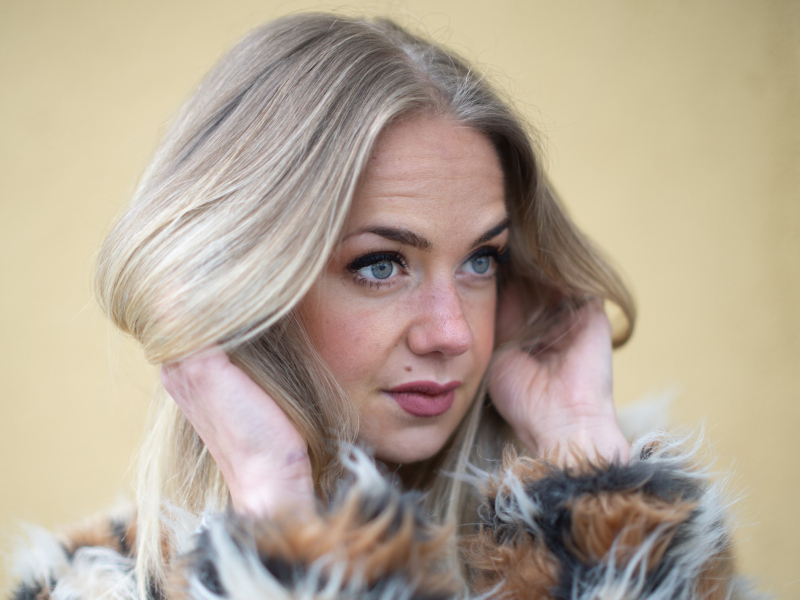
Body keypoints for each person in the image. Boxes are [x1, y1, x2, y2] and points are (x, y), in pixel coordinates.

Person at [9, 13, 751, 600]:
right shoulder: (89, 586)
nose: (452, 334)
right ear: (247, 282)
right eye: (379, 265)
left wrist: (585, 458)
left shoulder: (647, 557)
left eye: (482, 261)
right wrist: (280, 513)